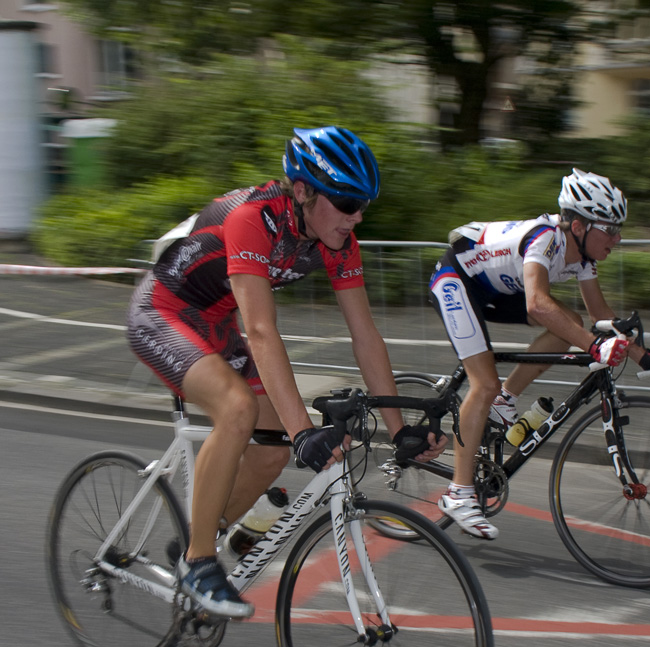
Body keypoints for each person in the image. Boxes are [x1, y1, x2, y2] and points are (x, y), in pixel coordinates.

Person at [127, 126, 445, 619]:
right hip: (163, 310)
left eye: (364, 204)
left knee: (272, 451)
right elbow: (260, 330)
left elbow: (365, 335)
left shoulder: (338, 242)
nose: (357, 215)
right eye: (347, 202)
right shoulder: (253, 219)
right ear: (303, 191)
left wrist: (398, 430)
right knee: (236, 410)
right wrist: (304, 432)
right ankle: (199, 562)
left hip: (215, 322)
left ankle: (195, 538)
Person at [428, 167, 650, 539]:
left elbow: (600, 317)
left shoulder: (583, 258)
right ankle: (459, 494)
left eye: (617, 230)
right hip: (456, 280)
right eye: (609, 229)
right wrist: (594, 345)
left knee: (571, 320)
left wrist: (646, 357)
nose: (617, 238)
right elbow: (537, 305)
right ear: (578, 226)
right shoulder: (545, 238)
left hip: (494, 290)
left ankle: (504, 400)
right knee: (483, 382)